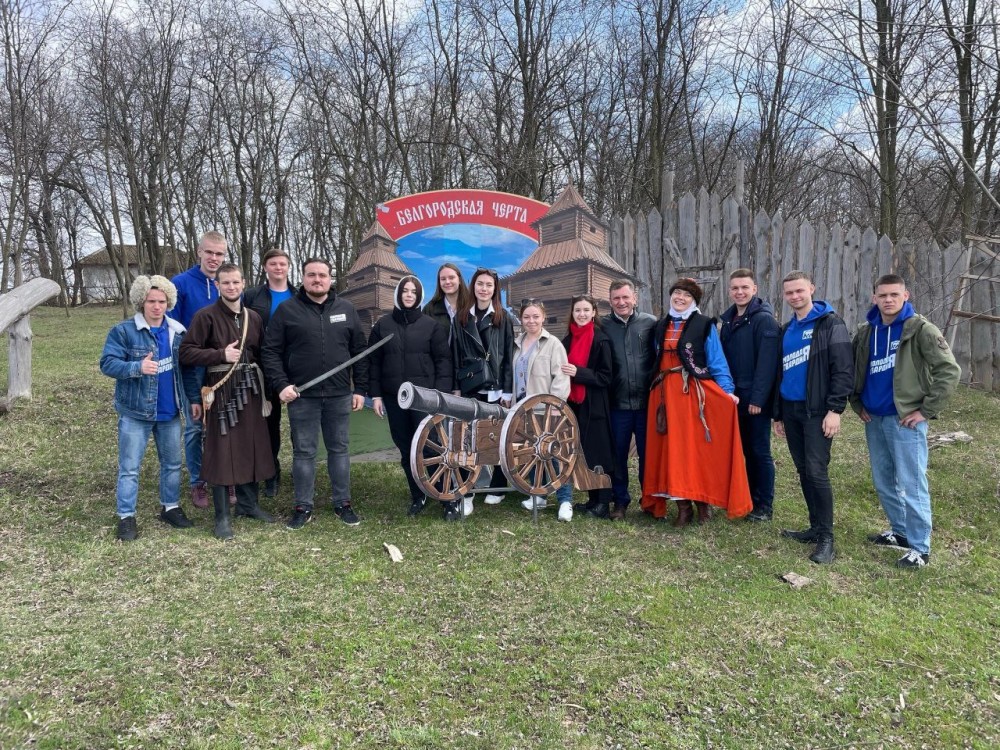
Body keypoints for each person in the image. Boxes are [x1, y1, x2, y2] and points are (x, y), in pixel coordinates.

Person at [850, 274, 960, 568]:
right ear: (874, 298)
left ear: (905, 296)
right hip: (874, 418)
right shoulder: (867, 331)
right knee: (883, 480)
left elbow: (949, 371)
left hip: (905, 420)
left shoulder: (920, 329)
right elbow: (854, 369)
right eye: (883, 295)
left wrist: (925, 410)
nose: (888, 300)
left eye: (894, 295)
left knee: (912, 483)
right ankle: (900, 532)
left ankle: (920, 548)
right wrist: (857, 402)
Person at [261, 257, 369, 529]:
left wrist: (360, 389)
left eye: (322, 275)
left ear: (331, 279)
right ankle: (303, 506)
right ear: (303, 278)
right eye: (312, 275)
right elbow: (270, 351)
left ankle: (343, 503)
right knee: (304, 452)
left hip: (339, 394)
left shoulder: (346, 309)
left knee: (339, 449)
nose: (317, 280)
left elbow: (359, 351)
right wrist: (281, 384)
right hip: (302, 397)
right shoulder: (287, 310)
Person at [641, 278, 751, 526]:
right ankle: (683, 507)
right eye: (677, 293)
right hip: (664, 395)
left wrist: (727, 392)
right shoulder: (660, 326)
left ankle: (703, 503)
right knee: (671, 451)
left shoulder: (704, 325)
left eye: (687, 295)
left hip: (692, 393)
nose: (680, 298)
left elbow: (716, 360)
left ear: (694, 300)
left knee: (696, 449)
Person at [100, 275, 200, 541]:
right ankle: (126, 516)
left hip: (170, 412)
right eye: (151, 301)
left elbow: (187, 371)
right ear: (141, 302)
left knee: (172, 464)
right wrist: (137, 367)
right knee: (130, 467)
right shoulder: (124, 331)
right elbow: (107, 364)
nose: (157, 306)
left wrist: (193, 399)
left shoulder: (178, 332)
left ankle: (170, 508)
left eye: (162, 302)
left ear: (169, 303)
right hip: (135, 412)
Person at [180, 263, 276, 540]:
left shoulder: (253, 318)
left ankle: (248, 505)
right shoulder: (205, 316)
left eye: (235, 282)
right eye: (226, 283)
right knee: (221, 451)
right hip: (222, 389)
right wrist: (220, 354)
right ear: (218, 285)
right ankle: (221, 516)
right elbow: (186, 353)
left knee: (251, 446)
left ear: (243, 283)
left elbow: (262, 354)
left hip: (251, 388)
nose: (231, 287)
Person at [773, 270, 853, 565]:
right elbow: (781, 372)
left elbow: (843, 369)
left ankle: (827, 539)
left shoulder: (830, 324)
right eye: (789, 292)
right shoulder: (787, 329)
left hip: (818, 411)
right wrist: (778, 414)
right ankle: (815, 527)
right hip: (791, 410)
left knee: (817, 471)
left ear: (812, 289)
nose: (795, 296)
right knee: (803, 470)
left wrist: (835, 409)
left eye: (799, 290)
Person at [369, 275, 453, 519]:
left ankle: (445, 495)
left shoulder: (430, 326)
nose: (408, 295)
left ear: (419, 296)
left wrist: (439, 395)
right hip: (394, 397)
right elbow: (374, 362)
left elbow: (443, 361)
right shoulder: (383, 326)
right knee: (406, 448)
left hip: (424, 398)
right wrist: (375, 395)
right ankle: (419, 495)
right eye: (405, 291)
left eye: (413, 292)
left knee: (431, 446)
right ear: (398, 294)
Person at [168, 231, 227, 508]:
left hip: (222, 364)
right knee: (195, 425)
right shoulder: (180, 284)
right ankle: (197, 481)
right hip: (192, 366)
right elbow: (174, 331)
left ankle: (225, 477)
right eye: (209, 252)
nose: (214, 258)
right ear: (199, 252)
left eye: (219, 253)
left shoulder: (226, 283)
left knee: (222, 422)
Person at [719, 269, 781, 522]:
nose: (740, 292)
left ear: (754, 289)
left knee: (759, 452)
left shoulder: (764, 320)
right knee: (743, 450)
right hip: (735, 398)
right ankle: (747, 499)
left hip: (754, 401)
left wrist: (758, 399)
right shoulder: (729, 321)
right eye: (735, 288)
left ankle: (764, 504)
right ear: (729, 291)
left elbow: (767, 364)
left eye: (745, 287)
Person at [458, 268, 514, 515]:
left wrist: (508, 391)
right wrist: (457, 387)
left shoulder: (503, 317)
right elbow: (456, 353)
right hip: (470, 386)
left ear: (495, 289)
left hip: (495, 388)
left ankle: (497, 487)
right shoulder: (462, 317)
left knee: (497, 438)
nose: (484, 289)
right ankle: (468, 491)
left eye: (489, 285)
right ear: (473, 286)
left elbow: (509, 357)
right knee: (467, 440)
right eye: (480, 284)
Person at [244, 247, 297, 497]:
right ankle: (271, 472)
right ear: (265, 267)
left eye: (282, 264)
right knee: (269, 423)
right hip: (264, 366)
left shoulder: (299, 295)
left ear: (288, 267)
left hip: (296, 366)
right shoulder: (252, 296)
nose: (278, 268)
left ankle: (300, 468)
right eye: (273, 264)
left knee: (300, 423)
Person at [559, 295, 617, 521]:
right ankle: (592, 500)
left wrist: (579, 373)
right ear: (572, 313)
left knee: (600, 452)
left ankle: (603, 503)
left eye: (586, 310)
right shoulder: (567, 340)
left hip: (595, 405)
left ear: (594, 313)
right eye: (577, 310)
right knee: (585, 452)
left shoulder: (601, 340)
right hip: (575, 404)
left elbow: (606, 377)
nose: (581, 314)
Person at [602, 279, 656, 520]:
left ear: (634, 298)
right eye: (616, 298)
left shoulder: (650, 323)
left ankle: (650, 501)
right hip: (617, 404)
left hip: (646, 404)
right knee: (618, 455)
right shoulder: (602, 325)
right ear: (610, 301)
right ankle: (620, 501)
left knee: (649, 455)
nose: (621, 302)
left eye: (625, 297)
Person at [512, 299, 572, 518]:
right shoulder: (517, 343)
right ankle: (540, 495)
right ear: (521, 319)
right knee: (532, 453)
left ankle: (565, 501)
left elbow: (561, 377)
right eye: (527, 317)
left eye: (536, 316)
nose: (531, 321)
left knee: (554, 454)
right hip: (523, 409)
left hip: (546, 410)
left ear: (543, 317)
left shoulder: (553, 344)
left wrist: (555, 405)